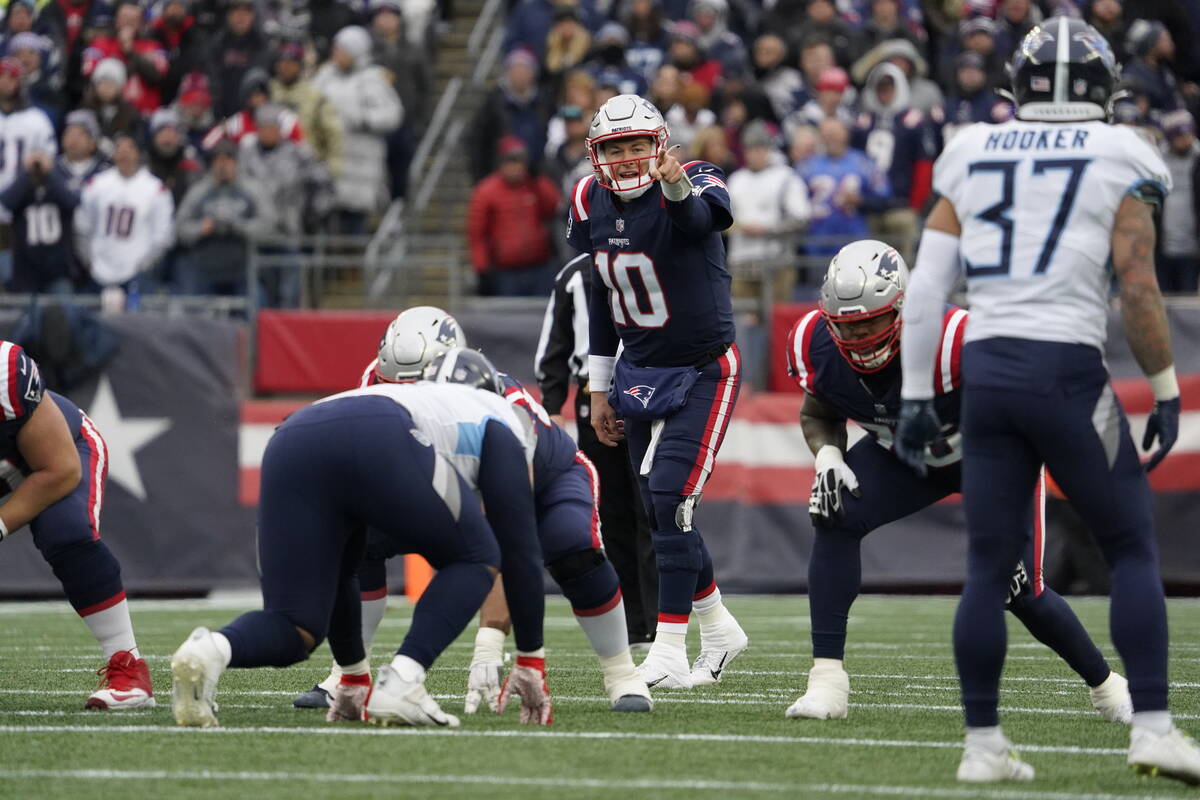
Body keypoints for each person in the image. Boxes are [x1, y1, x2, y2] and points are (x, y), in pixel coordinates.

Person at [893, 17, 1200, 784]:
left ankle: (982, 747)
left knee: (988, 566)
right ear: (1104, 88)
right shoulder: (1124, 151)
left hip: (988, 372)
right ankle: (1154, 727)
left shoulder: (970, 148)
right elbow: (1136, 285)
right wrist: (1163, 389)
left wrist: (914, 396)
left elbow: (926, 287)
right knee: (1130, 544)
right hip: (1066, 372)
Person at [783, 240, 1132, 726]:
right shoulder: (812, 341)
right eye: (846, 324)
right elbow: (818, 411)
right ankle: (827, 682)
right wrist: (826, 456)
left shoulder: (958, 340)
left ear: (904, 307)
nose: (859, 335)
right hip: (903, 455)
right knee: (835, 512)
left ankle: (1107, 687)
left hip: (992, 457)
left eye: (871, 321)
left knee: (1019, 587)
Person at [171, 352, 552, 728]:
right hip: (379, 433)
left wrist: (353, 678)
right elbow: (519, 548)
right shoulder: (497, 413)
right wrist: (531, 659)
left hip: (292, 436)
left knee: (294, 627)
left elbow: (348, 560)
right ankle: (403, 679)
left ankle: (210, 650)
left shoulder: (413, 400)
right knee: (477, 555)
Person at [567, 94, 747, 689]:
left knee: (671, 499)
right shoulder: (587, 199)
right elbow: (599, 295)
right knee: (657, 507)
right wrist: (597, 388)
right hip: (637, 368)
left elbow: (701, 220)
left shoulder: (695, 178)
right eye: (613, 148)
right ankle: (718, 626)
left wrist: (672, 187)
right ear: (597, 154)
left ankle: (669, 648)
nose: (625, 158)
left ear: (660, 145)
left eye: (637, 145)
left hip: (703, 366)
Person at [0, 342, 154, 710]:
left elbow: (61, 470)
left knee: (65, 532)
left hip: (56, 453)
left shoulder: (4, 372)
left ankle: (128, 670)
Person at [535, 255, 659, 648]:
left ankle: (663, 622)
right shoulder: (574, 274)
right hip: (596, 398)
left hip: (653, 387)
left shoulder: (655, 254)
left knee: (655, 509)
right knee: (613, 514)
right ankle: (635, 623)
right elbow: (555, 346)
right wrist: (553, 406)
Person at [313, 25, 403, 233]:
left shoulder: (372, 79)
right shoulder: (325, 77)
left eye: (341, 49)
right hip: (328, 165)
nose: (336, 54)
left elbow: (393, 114)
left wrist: (363, 120)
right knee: (326, 230)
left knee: (354, 230)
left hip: (361, 169)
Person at [75, 135, 173, 306]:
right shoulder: (97, 185)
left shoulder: (155, 189)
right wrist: (88, 261)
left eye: (129, 150)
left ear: (138, 154)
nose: (124, 155)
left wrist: (144, 266)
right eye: (119, 150)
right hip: (99, 269)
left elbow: (164, 235)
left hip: (137, 272)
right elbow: (82, 225)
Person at [173, 139, 269, 298]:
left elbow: (267, 223)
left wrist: (238, 227)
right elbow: (180, 226)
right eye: (218, 160)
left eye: (228, 160)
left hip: (241, 268)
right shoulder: (199, 191)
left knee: (257, 301)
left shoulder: (252, 189)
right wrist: (201, 228)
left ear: (236, 163)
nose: (222, 165)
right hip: (204, 268)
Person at [466, 135, 560, 297]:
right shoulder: (486, 191)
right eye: (510, 160)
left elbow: (554, 207)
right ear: (501, 163)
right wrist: (482, 269)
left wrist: (538, 181)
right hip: (505, 272)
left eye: (519, 160)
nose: (515, 166)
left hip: (539, 268)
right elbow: (477, 234)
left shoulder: (534, 185)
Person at [1158, 110, 1199, 293]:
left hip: (1192, 247)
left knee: (1187, 303)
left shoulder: (1198, 158)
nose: (1186, 140)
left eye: (1189, 134)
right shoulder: (1157, 158)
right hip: (1163, 247)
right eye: (1180, 136)